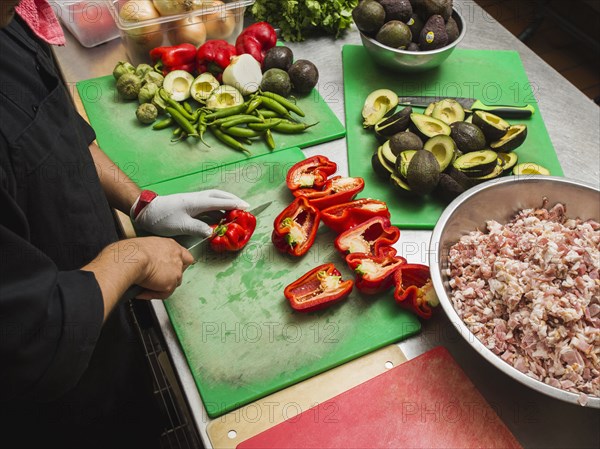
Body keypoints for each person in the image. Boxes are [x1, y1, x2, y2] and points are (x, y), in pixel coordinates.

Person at [0, 1, 248, 447]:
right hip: (52, 408)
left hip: (104, 327)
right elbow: (28, 335)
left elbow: (54, 130)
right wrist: (130, 256)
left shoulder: (8, 22)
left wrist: (140, 203)